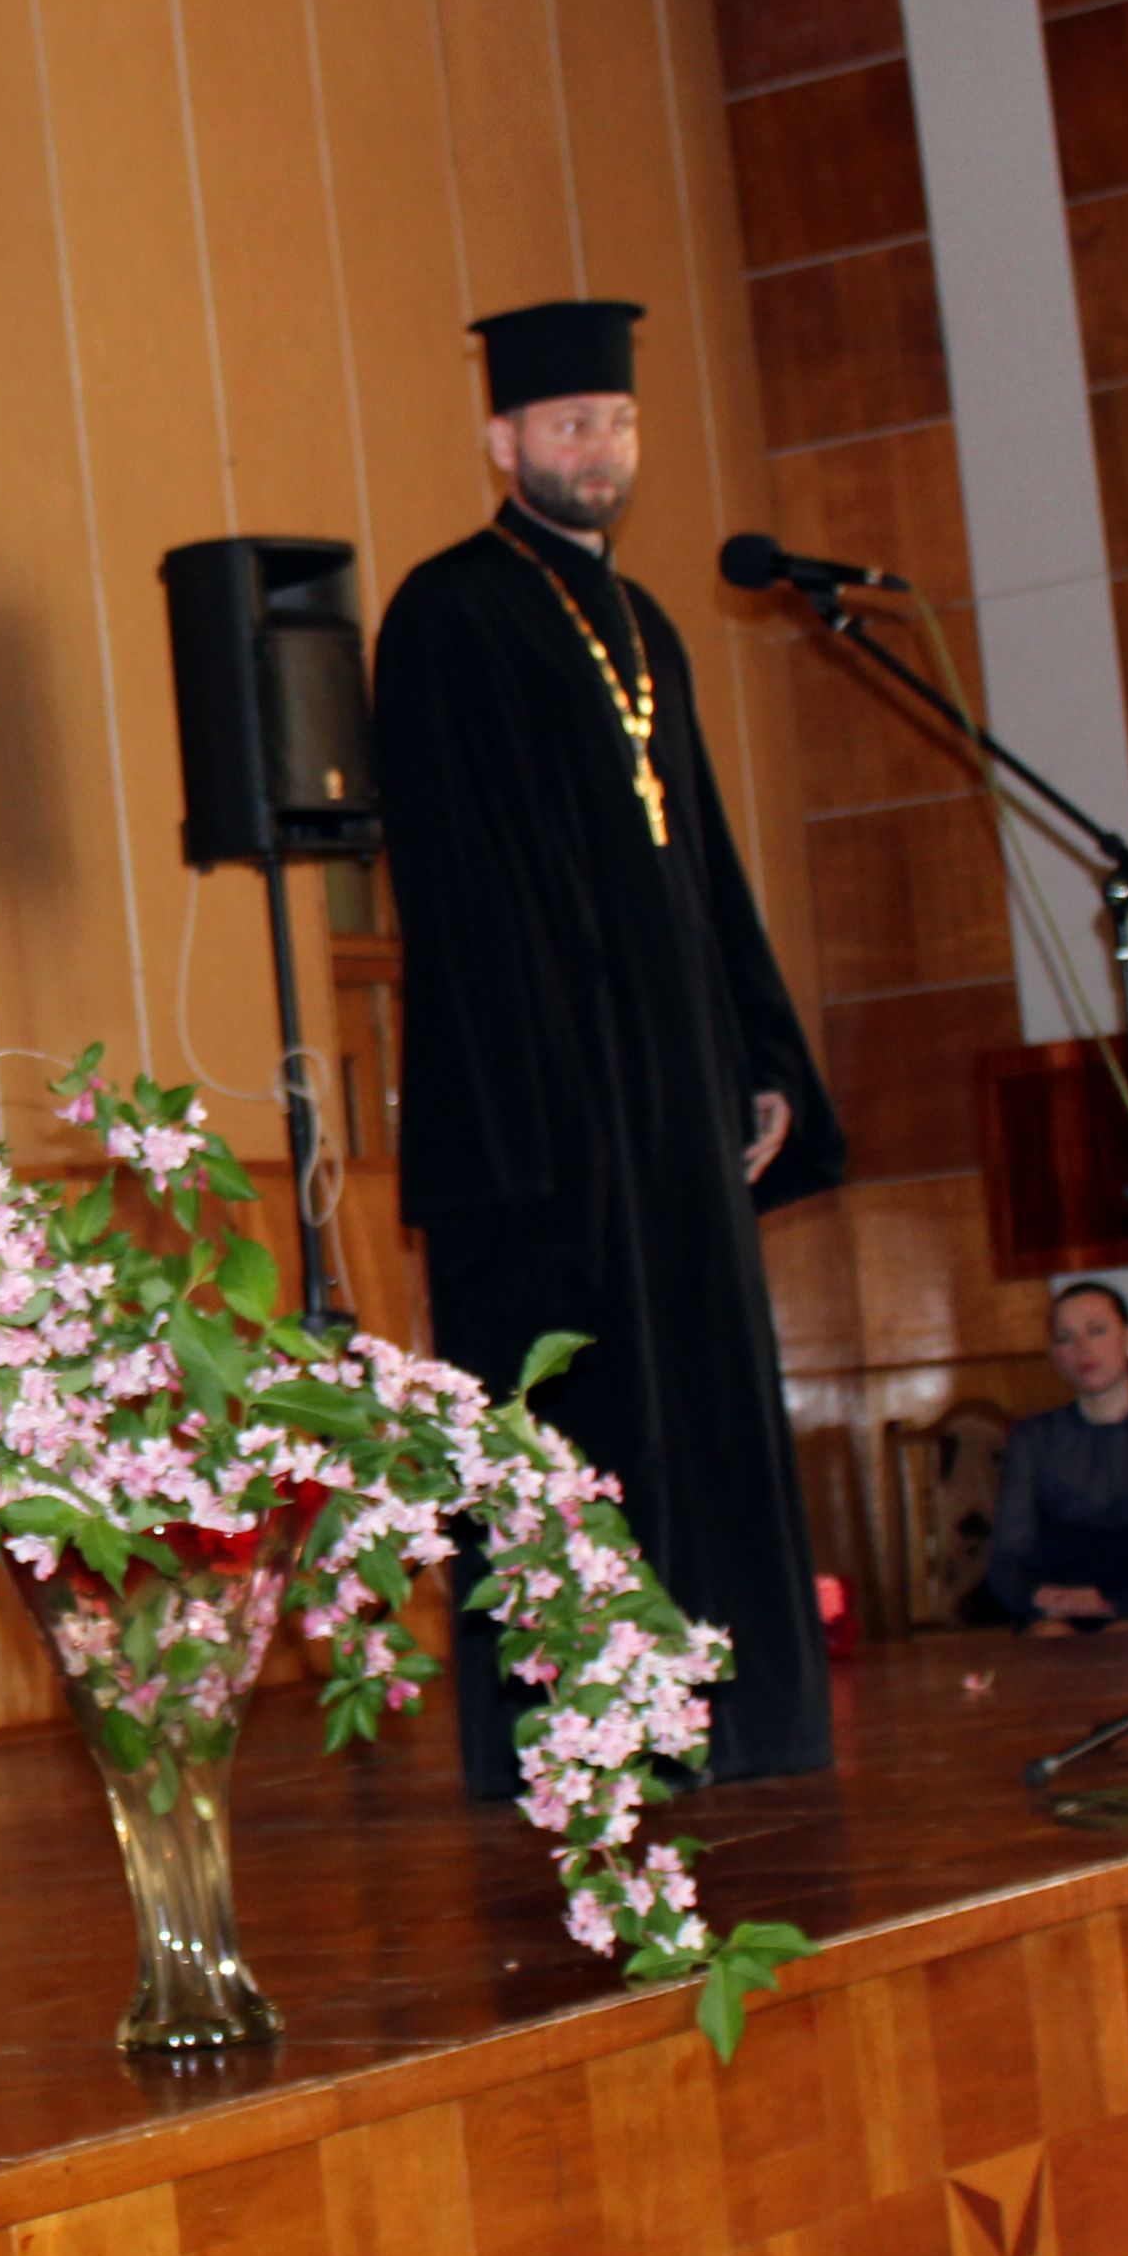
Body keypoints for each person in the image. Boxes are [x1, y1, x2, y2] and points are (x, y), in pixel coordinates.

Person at [372, 298, 843, 1794]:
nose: (600, 449)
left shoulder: (645, 626)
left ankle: (736, 1718)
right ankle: (582, 1738)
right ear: (501, 439)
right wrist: (553, 1102)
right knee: (578, 1427)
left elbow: (703, 862)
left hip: (672, 1099)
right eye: (571, 424)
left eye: (619, 423)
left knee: (701, 1401)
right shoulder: (447, 612)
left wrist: (756, 1050)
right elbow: (455, 890)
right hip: (548, 1125)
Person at [988, 1277, 1128, 1633]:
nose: (1082, 1348)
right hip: (1056, 1610)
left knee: (1127, 1640)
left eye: (1096, 1331)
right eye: (1065, 1337)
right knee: (1051, 1640)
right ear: (1054, 1357)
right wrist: (1038, 1597)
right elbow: (1008, 1558)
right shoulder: (1032, 1439)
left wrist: (1112, 1602)